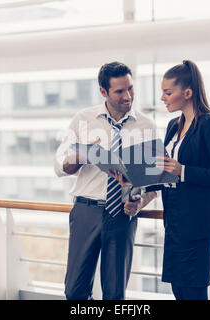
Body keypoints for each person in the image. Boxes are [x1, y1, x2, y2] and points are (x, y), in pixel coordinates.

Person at [54, 61, 157, 300]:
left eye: (130, 88)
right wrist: (80, 156)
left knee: (114, 294)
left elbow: (153, 184)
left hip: (122, 215)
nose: (128, 96)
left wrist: (139, 203)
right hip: (85, 211)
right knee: (75, 292)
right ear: (103, 91)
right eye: (119, 91)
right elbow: (60, 165)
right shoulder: (83, 119)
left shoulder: (146, 126)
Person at [152, 59, 210, 300]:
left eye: (168, 92)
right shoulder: (172, 126)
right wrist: (135, 179)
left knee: (194, 291)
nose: (163, 98)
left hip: (198, 222)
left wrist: (183, 170)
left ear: (187, 93)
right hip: (175, 220)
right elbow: (169, 170)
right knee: (178, 289)